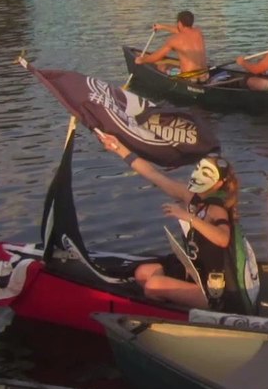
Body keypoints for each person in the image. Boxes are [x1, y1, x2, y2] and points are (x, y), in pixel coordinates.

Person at [95, 131, 248, 311]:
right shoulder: (190, 197)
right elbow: (153, 175)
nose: (197, 175)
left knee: (153, 286)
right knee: (143, 273)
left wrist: (187, 217)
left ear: (218, 184)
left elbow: (223, 239)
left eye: (206, 173)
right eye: (198, 169)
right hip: (196, 274)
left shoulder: (216, 209)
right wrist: (119, 148)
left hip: (216, 290)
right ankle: (173, 303)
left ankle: (176, 310)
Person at [137, 11, 209, 79]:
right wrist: (161, 26)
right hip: (205, 75)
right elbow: (181, 31)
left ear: (179, 23)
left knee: (162, 67)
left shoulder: (174, 40)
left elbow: (157, 57)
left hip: (188, 77)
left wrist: (142, 60)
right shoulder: (198, 31)